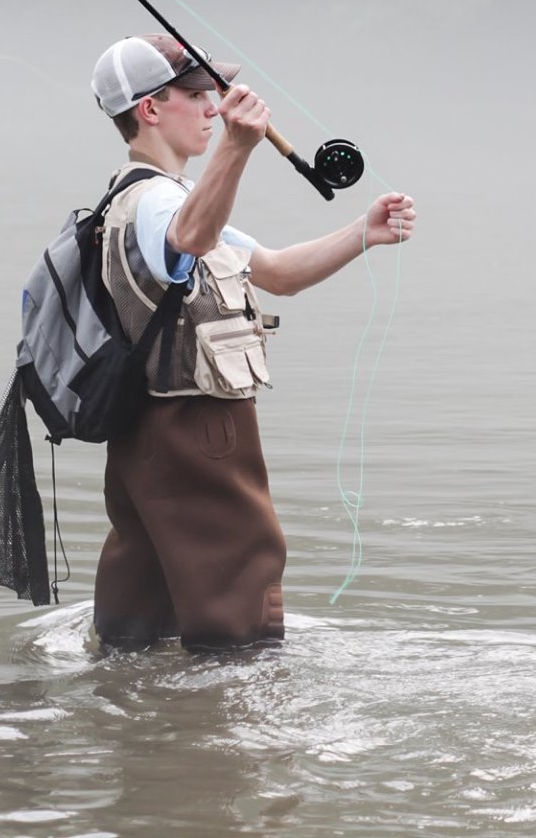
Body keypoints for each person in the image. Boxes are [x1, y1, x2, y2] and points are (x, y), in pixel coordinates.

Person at [86, 33, 414, 651]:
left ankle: (130, 720)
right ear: (149, 110)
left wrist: (362, 233)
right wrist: (237, 148)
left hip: (142, 434)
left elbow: (279, 272)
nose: (213, 107)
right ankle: (231, 731)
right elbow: (188, 239)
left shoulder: (141, 196)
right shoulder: (161, 201)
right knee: (240, 600)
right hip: (198, 429)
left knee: (143, 611)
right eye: (195, 93)